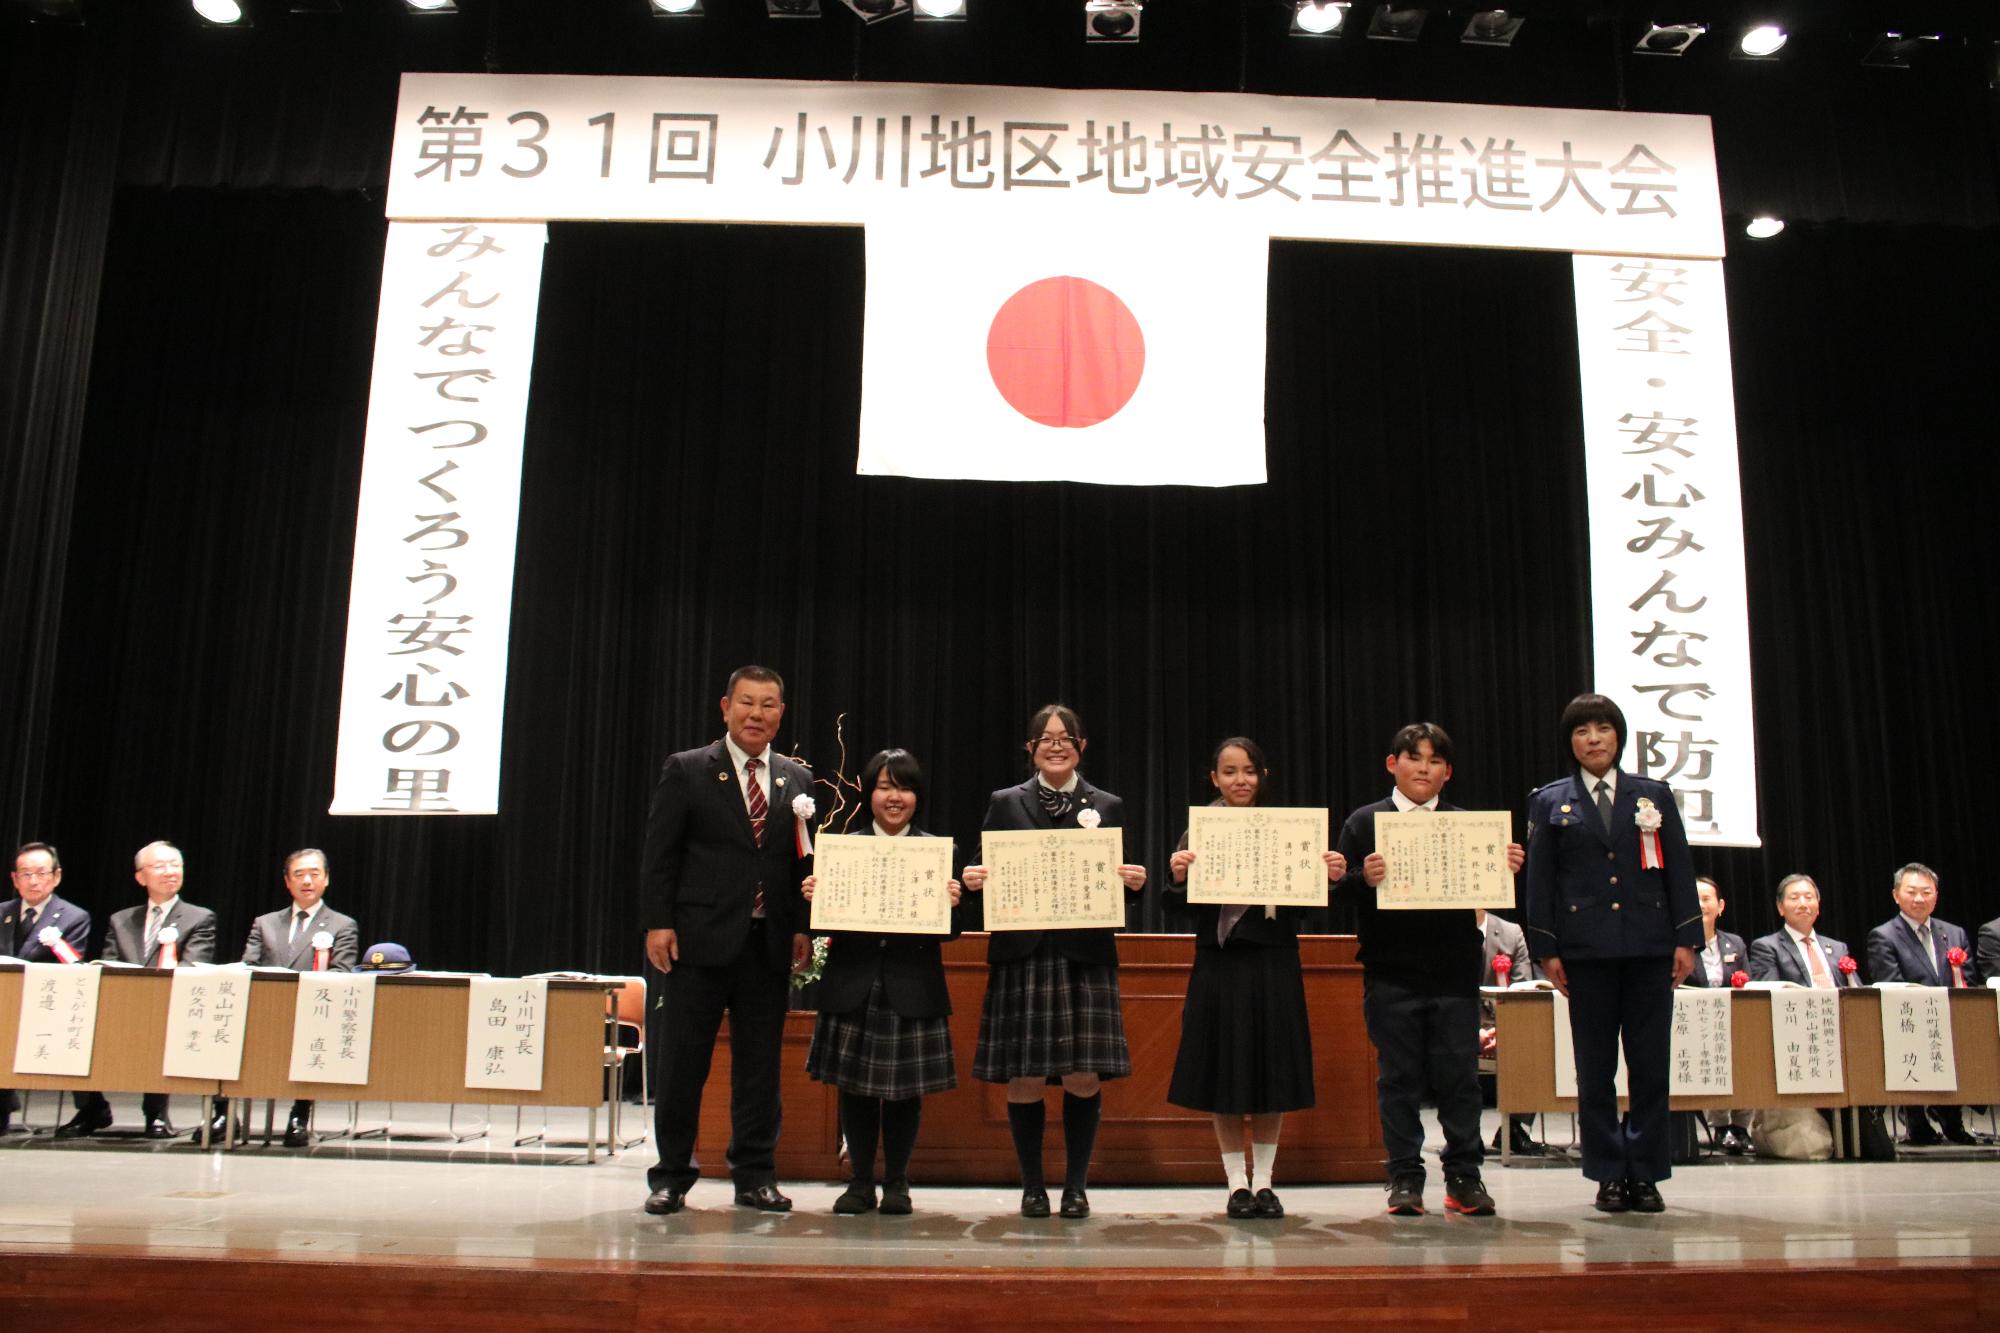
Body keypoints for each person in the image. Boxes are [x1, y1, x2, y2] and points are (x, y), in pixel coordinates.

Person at [961, 703, 1147, 1220]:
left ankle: (1077, 1186)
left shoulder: (1106, 805)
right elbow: (985, 877)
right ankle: (1032, 1186)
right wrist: (973, 878)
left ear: (1081, 747)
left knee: (1082, 1076)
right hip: (1023, 955)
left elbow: (1114, 885)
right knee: (1023, 1077)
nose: (1056, 745)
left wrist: (1135, 884)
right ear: (1031, 749)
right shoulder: (1004, 803)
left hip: (1084, 956)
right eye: (1045, 738)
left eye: (1066, 738)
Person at [641, 665, 813, 1216]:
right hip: (697, 944)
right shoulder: (689, 769)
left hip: (767, 946)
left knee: (760, 1068)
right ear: (725, 707)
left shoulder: (796, 779)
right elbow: (660, 855)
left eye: (768, 705)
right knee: (683, 1064)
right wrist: (657, 922)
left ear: (780, 713)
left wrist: (803, 927)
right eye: (746, 703)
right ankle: (670, 1176)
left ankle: (755, 1175)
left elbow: (800, 862)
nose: (756, 714)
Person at [1334, 722, 1523, 1218]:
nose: (1424, 767)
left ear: (1448, 772)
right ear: (1391, 764)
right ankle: (1404, 1176)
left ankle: (1465, 1176)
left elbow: (1493, 890)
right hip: (1390, 972)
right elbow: (1332, 890)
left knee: (1460, 1079)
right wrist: (1361, 878)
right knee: (1398, 1079)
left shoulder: (1470, 827)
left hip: (1455, 974)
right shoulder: (1364, 822)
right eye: (1413, 757)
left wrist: (1505, 864)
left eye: (1434, 760)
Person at [1524, 694, 1699, 1216]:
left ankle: (1645, 1172)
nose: (1593, 739)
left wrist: (1686, 938)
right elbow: (1540, 882)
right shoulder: (1551, 801)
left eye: (1602, 729)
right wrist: (1546, 949)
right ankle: (1607, 1174)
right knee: (1594, 1069)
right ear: (1570, 742)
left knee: (1650, 1065)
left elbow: (1680, 869)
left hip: (1649, 947)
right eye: (1582, 732)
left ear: (1618, 736)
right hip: (1585, 952)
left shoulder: (1654, 795)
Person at [1164, 737, 1343, 1220]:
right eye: (1229, 771)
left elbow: (1307, 908)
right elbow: (1175, 907)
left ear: (1263, 776)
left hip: (1274, 961)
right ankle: (1235, 1185)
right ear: (1214, 778)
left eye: (1248, 771)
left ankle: (1264, 1182)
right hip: (1219, 964)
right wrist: (1178, 876)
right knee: (1226, 1074)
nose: (1239, 780)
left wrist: (1328, 876)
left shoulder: (1288, 831)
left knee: (1272, 1073)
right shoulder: (1197, 832)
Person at [802, 747, 964, 1216]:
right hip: (854, 981)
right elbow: (822, 924)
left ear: (918, 796)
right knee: (853, 1089)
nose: (895, 797)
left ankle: (897, 1181)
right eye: (885, 786)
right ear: (870, 792)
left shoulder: (940, 851)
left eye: (905, 787)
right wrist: (813, 897)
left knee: (905, 1095)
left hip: (913, 985)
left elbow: (950, 933)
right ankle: (858, 1182)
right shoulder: (843, 847)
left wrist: (954, 905)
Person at [69, 842, 219, 1138]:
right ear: (141, 877)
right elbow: (109, 964)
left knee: (161, 1027)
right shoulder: (121, 919)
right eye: (160, 866)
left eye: (175, 865)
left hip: (173, 1005)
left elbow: (194, 967)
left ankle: (156, 1113)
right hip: (124, 1002)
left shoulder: (200, 918)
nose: (170, 872)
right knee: (78, 1024)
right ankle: (92, 1106)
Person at [235, 848, 359, 1146]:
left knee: (311, 1042)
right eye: (299, 874)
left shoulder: (343, 925)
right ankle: (225, 1112)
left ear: (326, 880)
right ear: (287, 882)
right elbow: (249, 966)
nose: (307, 881)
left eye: (314, 874)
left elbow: (342, 972)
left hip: (314, 1013)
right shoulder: (265, 923)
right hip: (267, 1008)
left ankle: (298, 1115)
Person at [1864, 863, 1979, 1146]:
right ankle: (1916, 1120)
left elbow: (1969, 979)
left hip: (1951, 1017)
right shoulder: (1884, 935)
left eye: (1926, 892)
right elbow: (1889, 981)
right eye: (1911, 892)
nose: (1919, 899)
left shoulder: (1954, 934)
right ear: (1896, 895)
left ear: (1936, 896)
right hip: (1907, 1019)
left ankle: (1953, 1119)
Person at [2, 843, 94, 1137]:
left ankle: (92, 1106)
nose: (33, 880)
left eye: (41, 873)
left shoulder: (73, 916)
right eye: (25, 874)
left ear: (56, 877)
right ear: (15, 879)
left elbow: (73, 965)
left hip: (48, 1004)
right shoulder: (2, 913)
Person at [1681, 875, 1752, 1154]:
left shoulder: (1735, 943)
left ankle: (1742, 1126)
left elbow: (1747, 980)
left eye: (1707, 898)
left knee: (1746, 1053)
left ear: (1720, 906)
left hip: (1732, 1020)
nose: (1700, 905)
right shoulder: (1681, 945)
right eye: (1694, 898)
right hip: (1694, 1023)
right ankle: (1720, 1125)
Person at [1477, 908, 1542, 1157]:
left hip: (1503, 1022)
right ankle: (1465, 1132)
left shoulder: (1511, 932)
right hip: (1459, 1022)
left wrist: (1504, 1029)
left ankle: (1515, 1127)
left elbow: (1522, 988)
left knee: (1535, 1039)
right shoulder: (1444, 931)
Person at [1746, 875, 1852, 988]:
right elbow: (1768, 996)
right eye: (1794, 898)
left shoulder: (1838, 948)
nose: (1803, 904)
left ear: (1818, 906)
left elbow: (1856, 990)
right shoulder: (1767, 947)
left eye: (1809, 897)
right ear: (1780, 907)